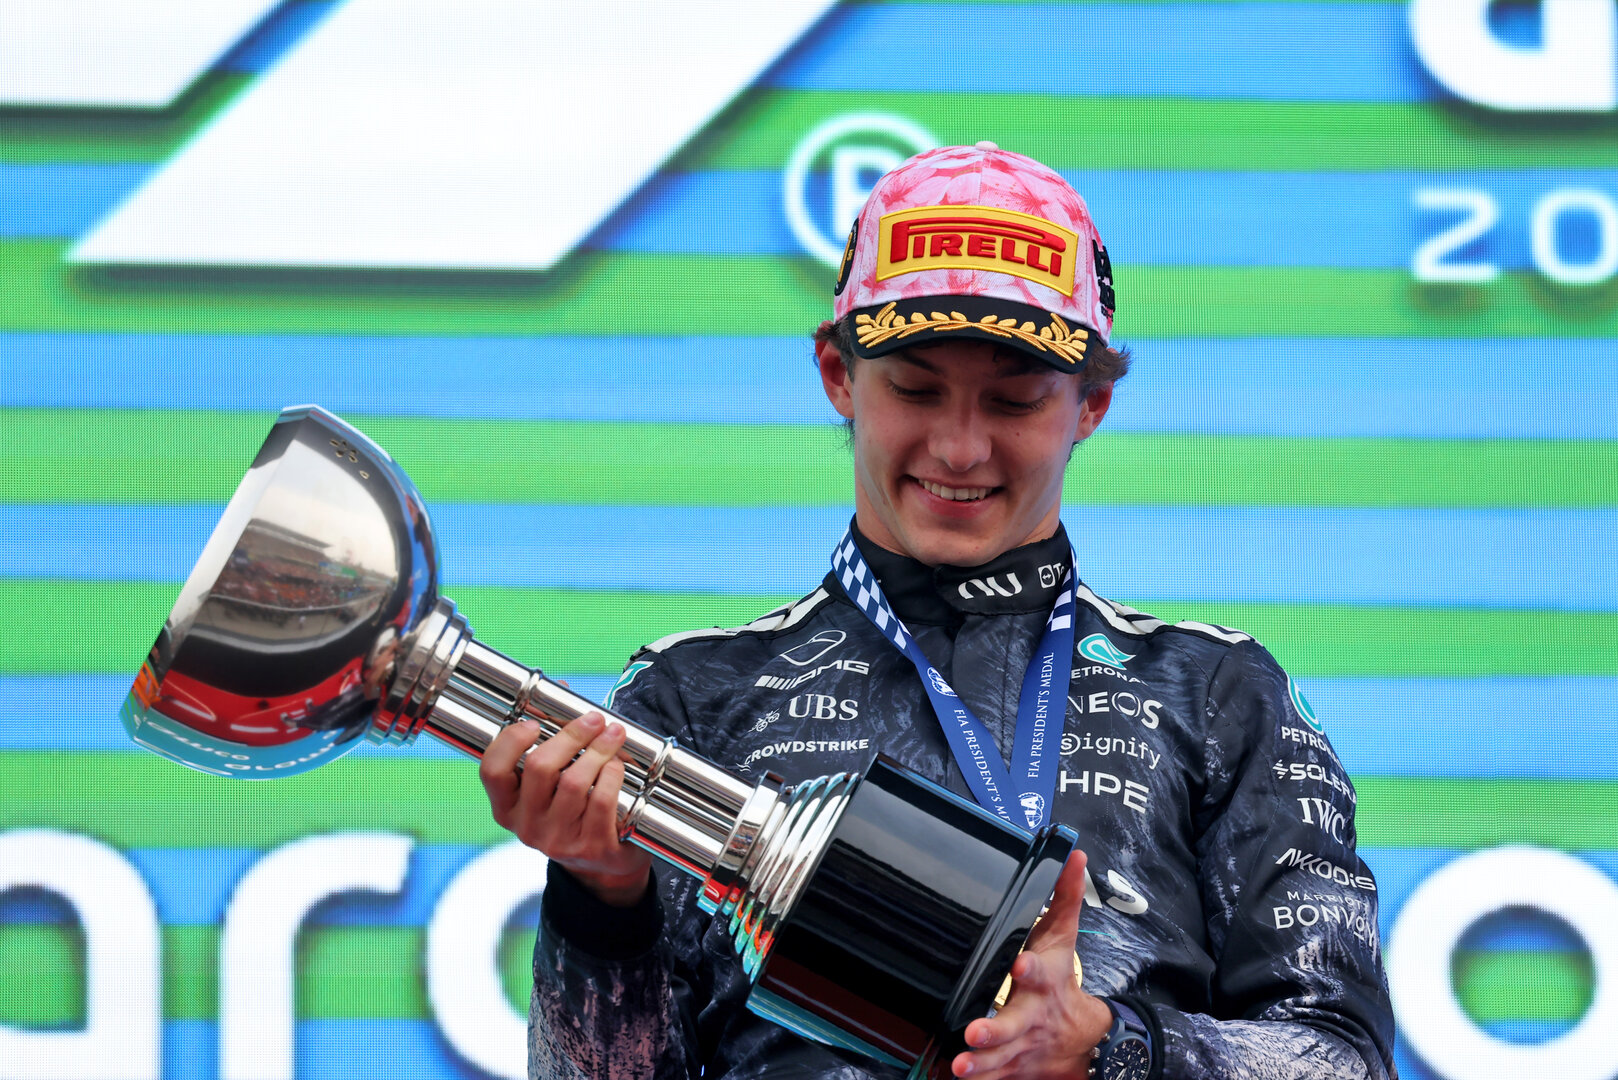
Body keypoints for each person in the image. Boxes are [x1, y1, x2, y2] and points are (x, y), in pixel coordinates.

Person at [480, 143, 1397, 1080]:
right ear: (839, 377)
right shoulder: (693, 698)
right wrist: (598, 900)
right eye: (915, 390)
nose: (960, 449)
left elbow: (1343, 1057)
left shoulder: (1215, 694)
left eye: (1014, 401)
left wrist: (1111, 1050)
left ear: (1093, 403)